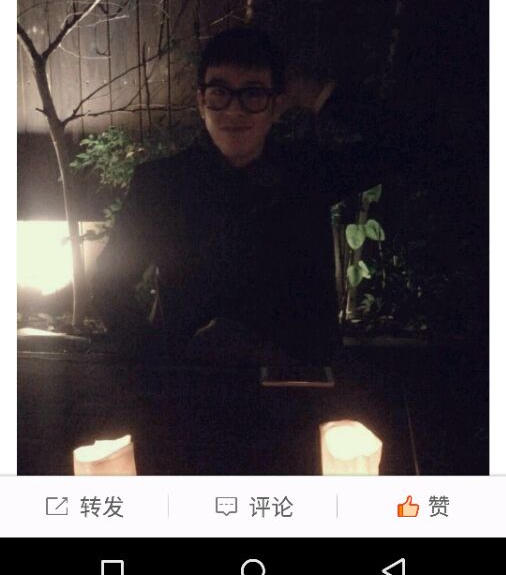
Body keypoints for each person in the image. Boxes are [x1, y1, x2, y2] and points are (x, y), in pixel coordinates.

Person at [93, 27, 391, 364]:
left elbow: (406, 144)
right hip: (190, 380)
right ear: (201, 102)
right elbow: (108, 284)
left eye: (252, 94)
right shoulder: (161, 185)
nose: (234, 110)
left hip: (297, 378)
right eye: (220, 93)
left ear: (277, 104)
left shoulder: (307, 173)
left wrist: (316, 94)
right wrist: (165, 355)